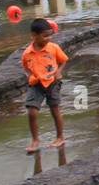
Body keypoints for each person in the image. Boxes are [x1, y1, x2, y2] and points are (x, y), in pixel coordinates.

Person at [22, 17, 69, 153]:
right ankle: (35, 140)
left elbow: (63, 60)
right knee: (32, 111)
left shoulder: (53, 48)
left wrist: (58, 72)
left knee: (55, 109)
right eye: (45, 36)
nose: (48, 38)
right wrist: (30, 75)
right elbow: (25, 66)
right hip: (36, 84)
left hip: (52, 82)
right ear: (34, 36)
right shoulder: (27, 53)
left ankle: (60, 137)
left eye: (50, 35)